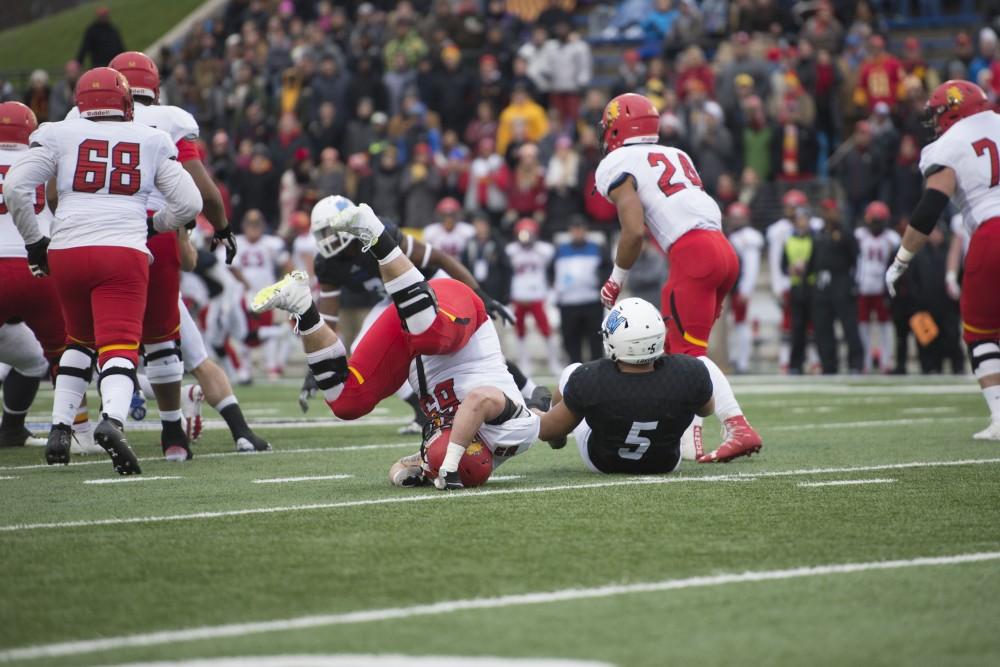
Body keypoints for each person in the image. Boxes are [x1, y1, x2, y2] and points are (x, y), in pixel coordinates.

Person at [251, 198, 539, 490]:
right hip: (451, 303)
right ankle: (375, 233)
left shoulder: (441, 448)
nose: (427, 450)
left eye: (429, 459)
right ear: (469, 446)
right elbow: (486, 403)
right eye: (435, 456)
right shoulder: (513, 434)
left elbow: (402, 466)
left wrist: (421, 469)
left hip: (408, 325)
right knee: (429, 335)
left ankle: (301, 306)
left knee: (347, 402)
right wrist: (450, 466)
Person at [5, 67, 203, 475]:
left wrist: (34, 242)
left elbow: (16, 188)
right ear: (126, 102)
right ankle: (112, 421)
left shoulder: (60, 132)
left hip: (67, 250)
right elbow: (189, 203)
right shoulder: (151, 138)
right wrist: (156, 224)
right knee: (119, 346)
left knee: (78, 340)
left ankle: (61, 426)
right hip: (122, 252)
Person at [68, 52, 252, 458]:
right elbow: (203, 193)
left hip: (86, 233)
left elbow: (48, 191)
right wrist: (221, 227)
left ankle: (70, 428)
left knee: (83, 340)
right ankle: (173, 436)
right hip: (155, 231)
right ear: (154, 85)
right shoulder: (170, 120)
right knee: (162, 338)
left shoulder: (72, 122)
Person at [595, 93, 761, 463]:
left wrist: (615, 278)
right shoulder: (678, 154)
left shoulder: (617, 161)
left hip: (693, 254)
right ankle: (690, 440)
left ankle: (737, 425)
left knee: (687, 355)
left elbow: (634, 230)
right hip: (722, 249)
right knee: (680, 351)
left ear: (618, 127)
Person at [303, 195, 511, 430]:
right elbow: (329, 315)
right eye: (322, 233)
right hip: (391, 299)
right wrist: (321, 364)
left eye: (330, 230)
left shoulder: (378, 230)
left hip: (430, 285)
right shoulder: (327, 263)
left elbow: (439, 257)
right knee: (361, 348)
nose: (327, 239)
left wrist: (478, 293)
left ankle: (526, 390)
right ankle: (422, 412)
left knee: (463, 343)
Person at [886, 80, 1000, 440]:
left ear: (950, 111)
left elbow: (931, 206)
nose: (935, 124)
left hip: (991, 232)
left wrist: (902, 259)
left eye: (937, 115)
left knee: (981, 329)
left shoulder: (948, 145)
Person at [537, 298, 715, 474]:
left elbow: (545, 431)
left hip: (604, 462)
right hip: (665, 463)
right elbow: (706, 410)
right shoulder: (690, 371)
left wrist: (533, 409)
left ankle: (556, 432)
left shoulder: (589, 377)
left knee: (571, 371)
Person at [0, 103, 66, 448]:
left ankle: (11, 430)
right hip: (37, 266)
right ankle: (76, 431)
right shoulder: (43, 159)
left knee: (33, 357)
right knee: (62, 355)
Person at [812, 201, 864, 375]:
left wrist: (854, 284)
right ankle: (828, 364)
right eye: (827, 211)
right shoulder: (819, 234)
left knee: (849, 325)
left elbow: (857, 260)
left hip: (841, 280)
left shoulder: (847, 234)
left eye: (832, 211)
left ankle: (855, 363)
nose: (830, 215)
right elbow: (814, 260)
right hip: (823, 282)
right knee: (823, 326)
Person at [506, 217, 560, 376]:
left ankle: (553, 361)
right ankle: (524, 362)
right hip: (519, 295)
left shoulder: (544, 249)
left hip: (537, 294)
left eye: (529, 233)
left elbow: (553, 266)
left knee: (545, 329)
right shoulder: (511, 250)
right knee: (520, 330)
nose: (526, 237)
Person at [554, 217, 607, 364]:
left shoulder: (596, 248)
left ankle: (596, 373)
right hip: (568, 303)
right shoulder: (561, 250)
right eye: (574, 229)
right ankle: (574, 372)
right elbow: (551, 271)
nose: (577, 232)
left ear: (586, 230)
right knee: (571, 343)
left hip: (591, 301)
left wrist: (599, 284)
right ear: (570, 231)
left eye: (580, 228)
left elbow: (607, 268)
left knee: (595, 342)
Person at [856, 201, 900, 373]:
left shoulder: (891, 238)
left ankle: (886, 360)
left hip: (883, 287)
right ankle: (865, 361)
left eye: (878, 221)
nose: (875, 225)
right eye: (872, 220)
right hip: (864, 285)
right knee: (863, 325)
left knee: (885, 325)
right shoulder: (860, 236)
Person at [725, 202, 763, 374]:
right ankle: (735, 358)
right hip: (733, 287)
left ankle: (742, 362)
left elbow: (751, 266)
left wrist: (746, 288)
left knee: (741, 323)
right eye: (733, 217)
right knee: (734, 323)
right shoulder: (733, 235)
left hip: (740, 287)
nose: (735, 221)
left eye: (739, 218)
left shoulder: (749, 237)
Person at [781, 208, 816, 375]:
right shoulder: (789, 241)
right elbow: (783, 266)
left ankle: (817, 362)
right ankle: (796, 363)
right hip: (797, 288)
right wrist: (791, 269)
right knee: (797, 328)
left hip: (812, 287)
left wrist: (807, 268)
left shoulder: (816, 238)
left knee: (817, 327)